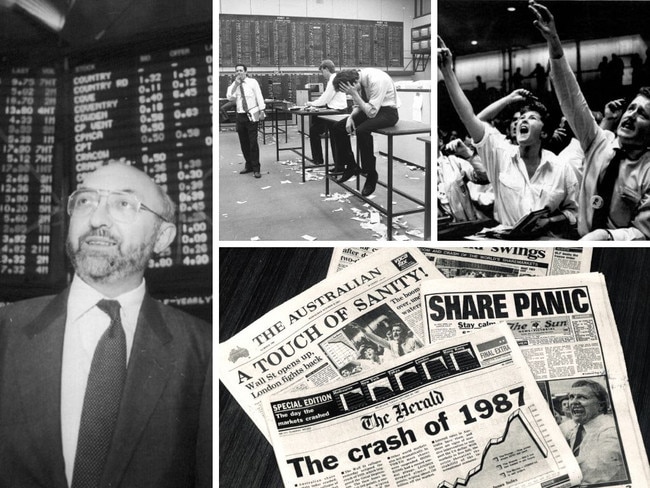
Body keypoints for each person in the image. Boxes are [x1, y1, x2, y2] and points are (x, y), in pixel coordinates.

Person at [0, 162, 212, 488]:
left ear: (162, 236)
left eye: (123, 204)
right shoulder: (5, 331)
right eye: (85, 201)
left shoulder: (203, 351)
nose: (97, 219)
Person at [531, 0, 650, 240]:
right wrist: (554, 42)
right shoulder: (598, 142)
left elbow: (644, 233)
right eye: (631, 108)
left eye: (643, 114)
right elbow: (572, 100)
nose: (631, 115)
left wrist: (607, 236)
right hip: (578, 240)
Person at [438, 38, 579, 238]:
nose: (523, 120)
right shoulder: (501, 154)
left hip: (544, 238)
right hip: (502, 236)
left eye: (531, 118)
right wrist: (447, 72)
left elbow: (574, 212)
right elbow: (470, 118)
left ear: (544, 133)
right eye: (521, 117)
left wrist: (550, 220)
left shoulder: (561, 168)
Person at [330, 68, 400, 196]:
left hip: (388, 113)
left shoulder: (377, 80)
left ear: (353, 83)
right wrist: (350, 117)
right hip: (370, 109)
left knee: (362, 130)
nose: (350, 94)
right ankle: (351, 165)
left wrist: (354, 94)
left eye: (348, 91)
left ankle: (371, 174)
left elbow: (371, 112)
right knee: (338, 127)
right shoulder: (357, 80)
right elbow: (359, 105)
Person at [563, 379, 626, 484]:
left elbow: (593, 472)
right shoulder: (577, 429)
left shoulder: (611, 431)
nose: (573, 402)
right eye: (571, 397)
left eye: (582, 397)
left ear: (601, 405)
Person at [304, 59, 348, 172]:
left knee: (334, 137)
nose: (322, 75)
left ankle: (338, 166)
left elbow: (325, 98)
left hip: (336, 112)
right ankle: (323, 161)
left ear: (326, 69)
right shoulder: (334, 78)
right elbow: (327, 98)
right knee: (316, 131)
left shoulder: (333, 79)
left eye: (322, 72)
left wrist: (311, 103)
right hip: (334, 110)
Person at [226, 63, 266, 178]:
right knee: (244, 142)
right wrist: (235, 85)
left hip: (252, 115)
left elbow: (259, 96)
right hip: (240, 116)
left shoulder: (253, 82)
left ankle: (256, 168)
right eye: (237, 71)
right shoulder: (234, 84)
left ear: (246, 71)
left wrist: (262, 110)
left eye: (241, 70)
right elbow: (229, 97)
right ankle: (248, 165)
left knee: (253, 142)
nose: (239, 73)